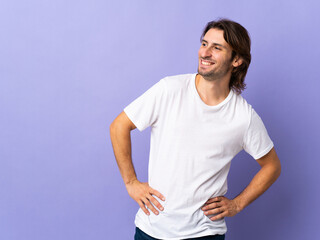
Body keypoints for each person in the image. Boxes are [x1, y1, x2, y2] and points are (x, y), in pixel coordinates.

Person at [110, 18, 281, 240]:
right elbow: (119, 126)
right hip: (152, 230)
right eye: (204, 44)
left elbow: (272, 166)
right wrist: (131, 182)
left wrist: (237, 204)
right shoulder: (169, 89)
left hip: (205, 233)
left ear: (236, 60)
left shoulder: (243, 117)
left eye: (217, 47)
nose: (205, 52)